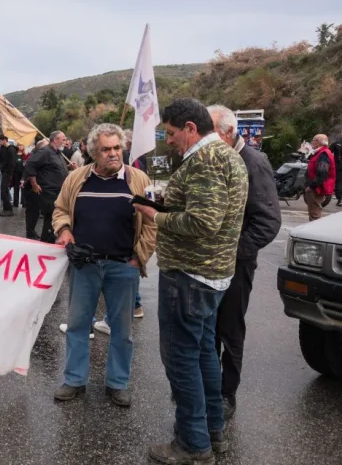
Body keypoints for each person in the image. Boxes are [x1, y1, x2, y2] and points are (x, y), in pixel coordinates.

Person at [134, 99, 248, 464]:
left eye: (170, 133)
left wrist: (156, 216)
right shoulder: (227, 155)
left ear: (190, 128)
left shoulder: (206, 159)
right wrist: (172, 202)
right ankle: (212, 433)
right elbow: (210, 211)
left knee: (182, 359)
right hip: (210, 276)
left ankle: (192, 444)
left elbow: (203, 223)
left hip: (190, 276)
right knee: (202, 356)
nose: (168, 140)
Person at [52, 124, 157, 408]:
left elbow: (152, 222)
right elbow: (60, 209)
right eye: (106, 149)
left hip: (123, 266)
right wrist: (64, 230)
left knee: (121, 330)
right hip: (85, 266)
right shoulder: (76, 179)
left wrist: (140, 257)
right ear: (92, 152)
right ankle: (74, 380)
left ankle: (118, 383)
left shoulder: (138, 179)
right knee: (77, 325)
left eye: (117, 148)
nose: (113, 154)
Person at [208, 105, 281, 420]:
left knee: (230, 329)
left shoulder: (253, 161)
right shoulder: (216, 158)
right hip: (208, 263)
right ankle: (210, 389)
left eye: (209, 132)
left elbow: (268, 221)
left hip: (236, 264)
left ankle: (227, 395)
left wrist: (232, 251)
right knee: (207, 328)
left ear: (227, 132)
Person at [22, 130, 69, 244]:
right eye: (63, 139)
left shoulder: (57, 153)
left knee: (52, 219)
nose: (65, 142)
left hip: (58, 192)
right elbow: (30, 164)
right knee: (51, 218)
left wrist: (69, 167)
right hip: (48, 192)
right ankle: (46, 243)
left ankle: (48, 241)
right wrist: (34, 183)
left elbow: (55, 168)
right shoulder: (45, 151)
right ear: (55, 140)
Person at [304, 134, 336, 221]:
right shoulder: (319, 153)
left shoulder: (323, 154)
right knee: (313, 211)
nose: (311, 142)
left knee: (315, 213)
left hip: (317, 188)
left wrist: (311, 187)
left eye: (313, 140)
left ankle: (313, 232)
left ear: (318, 143)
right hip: (316, 187)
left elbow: (322, 173)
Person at [0, 135, 16, 216]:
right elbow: (0, 159)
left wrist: (10, 174)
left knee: (2, 190)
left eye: (0, 140)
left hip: (7, 173)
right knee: (4, 191)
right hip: (2, 171)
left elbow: (12, 163)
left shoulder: (11, 149)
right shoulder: (2, 148)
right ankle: (6, 209)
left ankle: (9, 209)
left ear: (5, 140)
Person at [11, 143, 25, 208]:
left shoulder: (25, 155)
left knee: (23, 188)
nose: (20, 147)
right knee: (16, 188)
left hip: (24, 174)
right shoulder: (15, 155)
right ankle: (15, 203)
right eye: (19, 145)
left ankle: (24, 202)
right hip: (16, 173)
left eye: (21, 145)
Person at [331, 133, 342, 206]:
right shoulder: (336, 144)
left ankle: (340, 199)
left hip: (338, 165)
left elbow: (328, 152)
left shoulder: (336, 144)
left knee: (338, 182)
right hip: (338, 165)